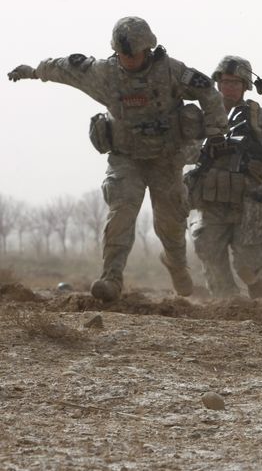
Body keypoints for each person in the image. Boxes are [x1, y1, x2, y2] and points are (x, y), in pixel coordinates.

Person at [7, 16, 226, 302]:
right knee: (121, 212)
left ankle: (176, 263)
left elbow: (208, 91)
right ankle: (111, 277)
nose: (128, 60)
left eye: (133, 54)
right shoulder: (104, 73)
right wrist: (35, 71)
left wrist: (217, 132)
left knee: (171, 223)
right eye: (123, 54)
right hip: (126, 159)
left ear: (148, 49)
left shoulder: (171, 71)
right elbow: (66, 68)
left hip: (166, 158)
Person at [187, 56, 262, 299]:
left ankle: (260, 308)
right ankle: (228, 311)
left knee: (248, 268)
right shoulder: (202, 116)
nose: (229, 87)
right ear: (217, 84)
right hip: (211, 201)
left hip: (249, 200)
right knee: (210, 255)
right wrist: (203, 150)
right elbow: (184, 152)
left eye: (235, 83)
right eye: (225, 82)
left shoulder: (258, 117)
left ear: (244, 86)